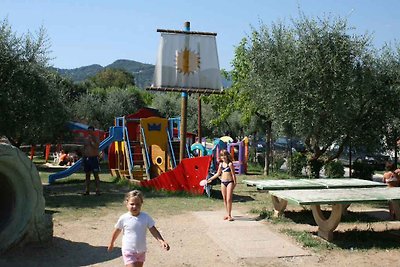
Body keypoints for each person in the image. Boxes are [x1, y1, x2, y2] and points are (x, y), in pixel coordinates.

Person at [108, 190, 170, 267]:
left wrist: (161, 241)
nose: (135, 207)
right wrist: (112, 242)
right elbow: (117, 231)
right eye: (132, 204)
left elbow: (153, 230)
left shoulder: (145, 217)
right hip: (128, 250)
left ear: (141, 204)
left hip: (141, 250)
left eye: (138, 204)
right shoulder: (124, 218)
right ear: (127, 204)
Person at [207, 149, 237, 221]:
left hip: (230, 182)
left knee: (229, 199)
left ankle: (229, 215)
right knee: (224, 199)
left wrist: (235, 183)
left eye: (224, 155)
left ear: (227, 156)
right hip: (223, 182)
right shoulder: (220, 164)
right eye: (222, 156)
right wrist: (210, 179)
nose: (223, 157)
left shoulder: (230, 164)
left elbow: (233, 175)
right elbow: (218, 173)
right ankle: (227, 214)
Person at [83, 125, 100, 195]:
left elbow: (96, 146)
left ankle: (97, 190)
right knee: (87, 175)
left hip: (94, 158)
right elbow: (84, 148)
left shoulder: (96, 138)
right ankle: (87, 190)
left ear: (93, 131)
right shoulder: (86, 139)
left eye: (91, 131)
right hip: (86, 158)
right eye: (88, 131)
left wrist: (91, 141)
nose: (89, 132)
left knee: (96, 175)